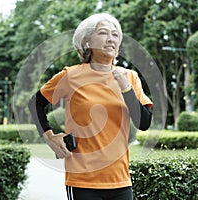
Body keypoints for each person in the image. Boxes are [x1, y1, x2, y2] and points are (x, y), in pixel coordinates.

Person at [28, 13, 153, 200]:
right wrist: (49, 137)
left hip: (120, 180)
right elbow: (35, 103)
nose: (111, 38)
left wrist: (125, 87)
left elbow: (143, 123)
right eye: (103, 33)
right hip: (83, 181)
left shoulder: (130, 77)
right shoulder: (71, 76)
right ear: (86, 42)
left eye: (115, 35)